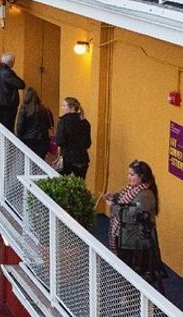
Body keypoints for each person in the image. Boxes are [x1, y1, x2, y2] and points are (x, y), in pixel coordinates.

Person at [105, 160, 164, 289]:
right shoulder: (131, 190)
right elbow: (123, 201)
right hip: (126, 238)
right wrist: (114, 198)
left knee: (130, 275)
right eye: (128, 174)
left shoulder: (144, 196)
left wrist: (113, 207)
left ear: (141, 176)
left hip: (134, 243)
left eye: (132, 175)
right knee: (124, 273)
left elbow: (131, 217)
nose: (129, 177)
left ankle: (129, 300)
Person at [54, 96, 91, 179]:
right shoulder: (85, 122)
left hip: (67, 158)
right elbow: (88, 144)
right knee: (80, 184)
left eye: (64, 106)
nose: (62, 108)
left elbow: (59, 141)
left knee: (62, 183)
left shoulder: (64, 121)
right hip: (82, 158)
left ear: (71, 108)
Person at [0, 52, 25, 132]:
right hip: (8, 102)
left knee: (1, 123)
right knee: (8, 126)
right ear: (10, 62)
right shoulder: (8, 73)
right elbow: (21, 84)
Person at [15, 87, 53, 159]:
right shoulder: (44, 109)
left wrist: (19, 136)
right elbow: (49, 125)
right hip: (42, 140)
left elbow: (19, 126)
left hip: (27, 140)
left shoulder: (24, 108)